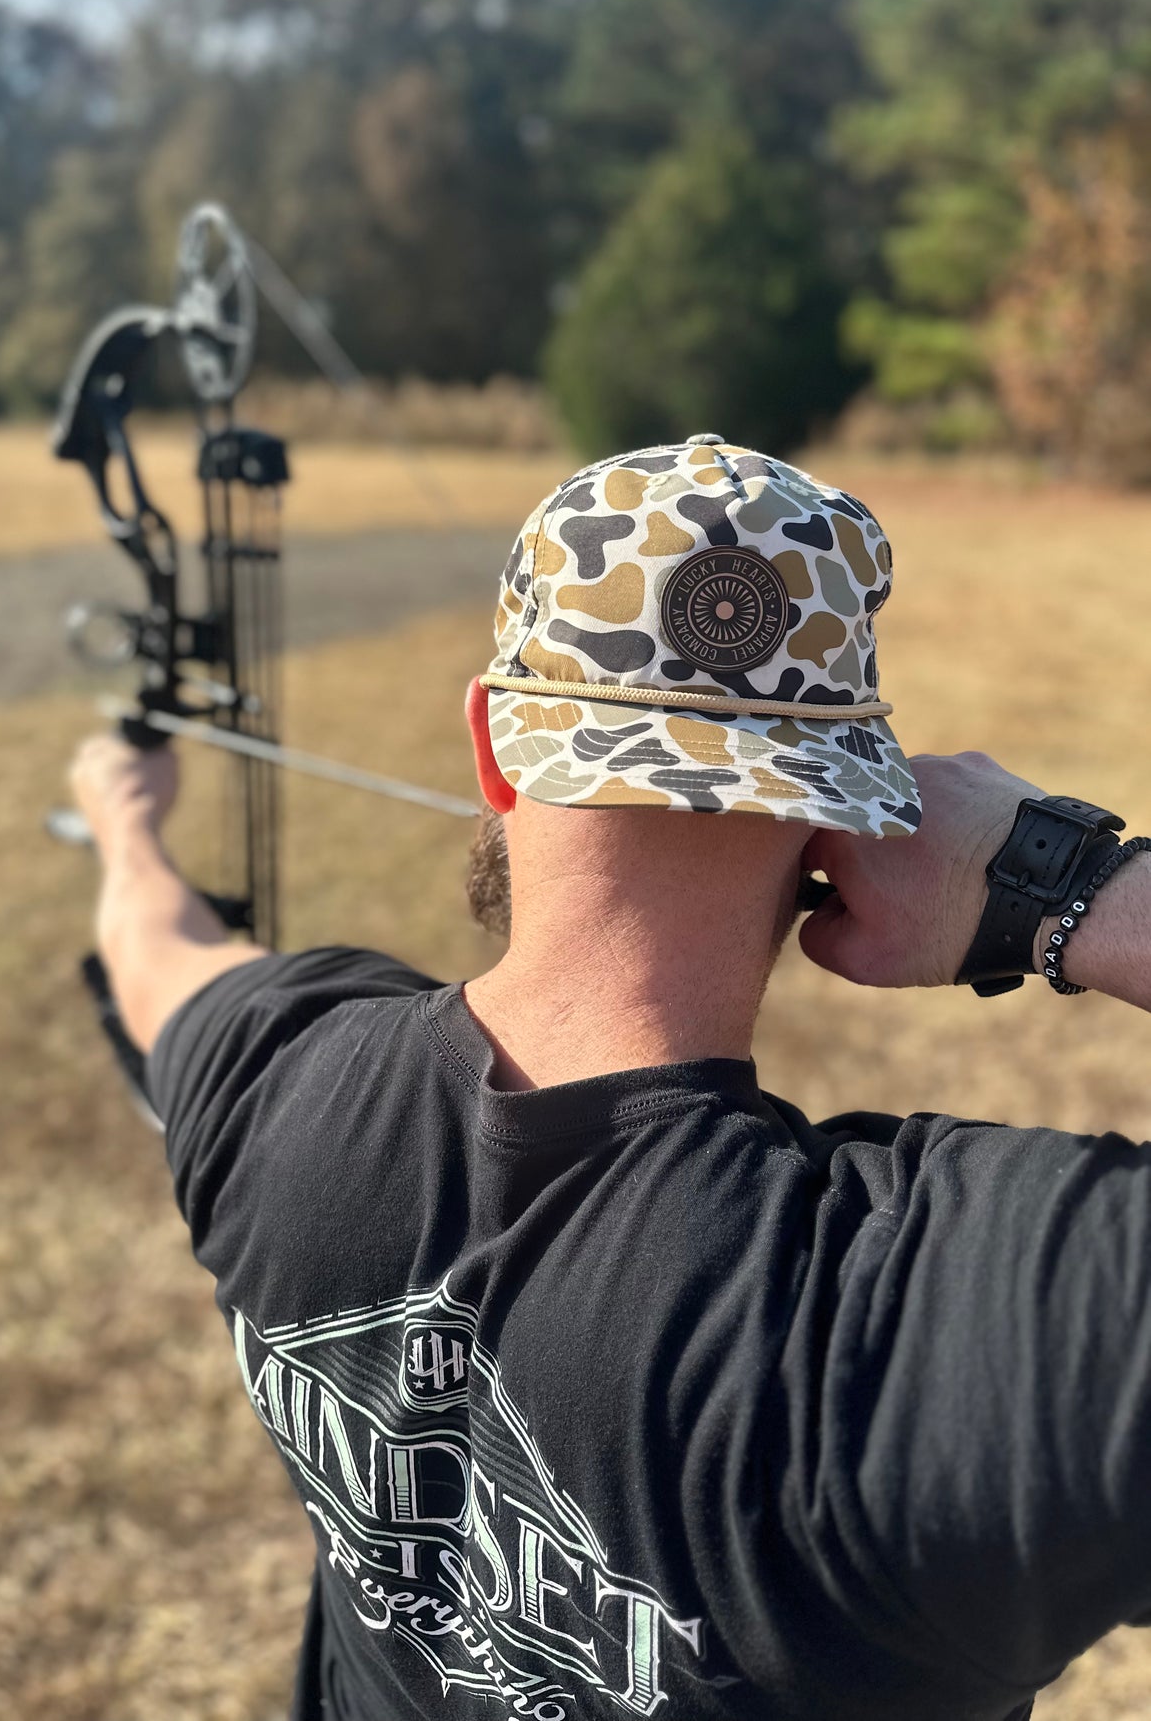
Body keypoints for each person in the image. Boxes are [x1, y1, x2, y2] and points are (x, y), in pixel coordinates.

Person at [69, 441, 1151, 1721]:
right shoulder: (932, 1321)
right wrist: (1067, 889)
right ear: (857, 816)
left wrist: (122, 820)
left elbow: (157, 948)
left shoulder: (277, 1079)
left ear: (489, 741)